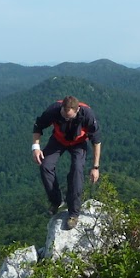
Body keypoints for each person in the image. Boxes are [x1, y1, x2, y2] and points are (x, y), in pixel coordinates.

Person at [31, 96, 103, 229]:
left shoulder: (87, 115)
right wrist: (36, 148)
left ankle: (74, 213)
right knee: (45, 165)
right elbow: (38, 126)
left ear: (77, 111)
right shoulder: (54, 110)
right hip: (58, 140)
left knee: (77, 171)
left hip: (79, 143)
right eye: (64, 115)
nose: (66, 119)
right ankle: (56, 201)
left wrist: (95, 167)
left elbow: (96, 141)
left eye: (69, 117)